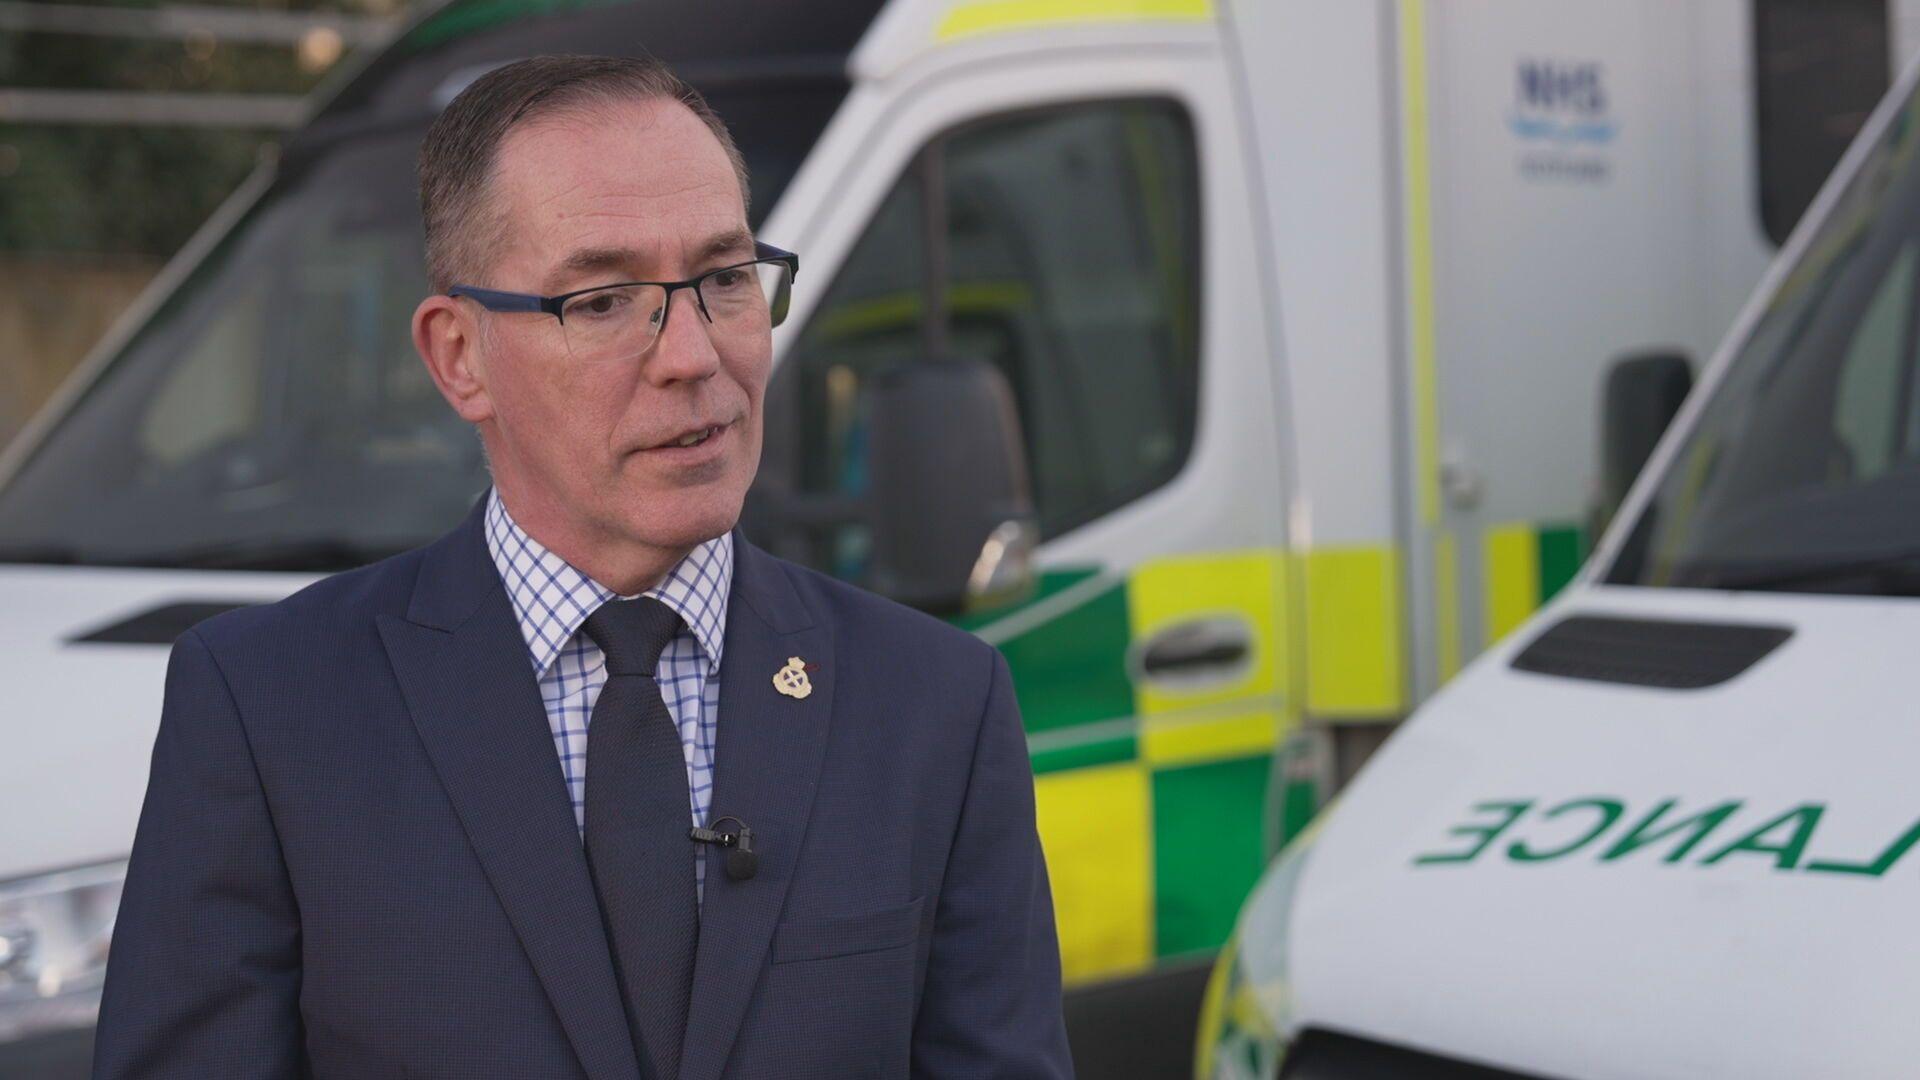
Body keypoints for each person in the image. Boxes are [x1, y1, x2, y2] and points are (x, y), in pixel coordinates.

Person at [92, 54, 1071, 1079]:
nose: (692, 353)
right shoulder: (268, 705)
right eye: (604, 300)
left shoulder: (937, 706)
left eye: (725, 280)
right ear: (460, 356)